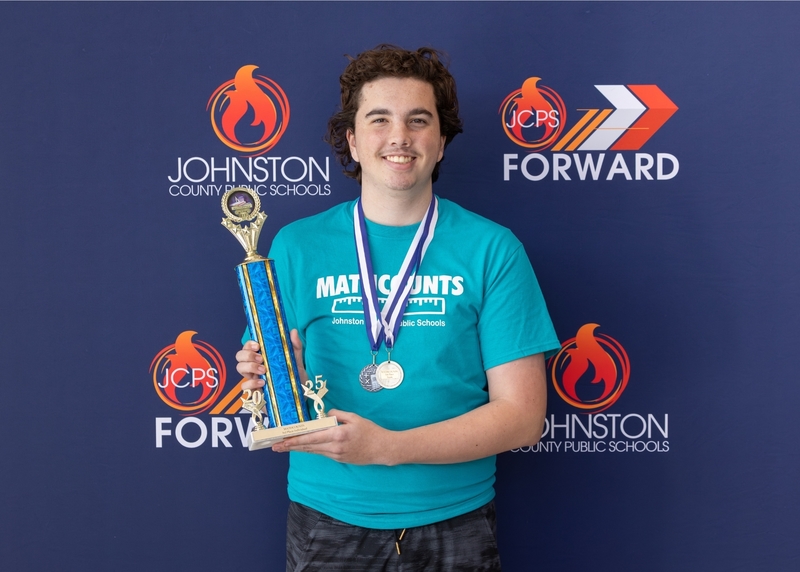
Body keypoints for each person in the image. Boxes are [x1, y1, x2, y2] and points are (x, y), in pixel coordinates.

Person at [236, 45, 560, 571]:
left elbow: (523, 418)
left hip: (455, 518)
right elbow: (278, 401)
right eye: (379, 119)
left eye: (418, 120)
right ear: (353, 140)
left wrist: (388, 446)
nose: (399, 137)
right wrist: (275, 377)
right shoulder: (295, 246)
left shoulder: (493, 249)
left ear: (440, 141)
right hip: (328, 515)